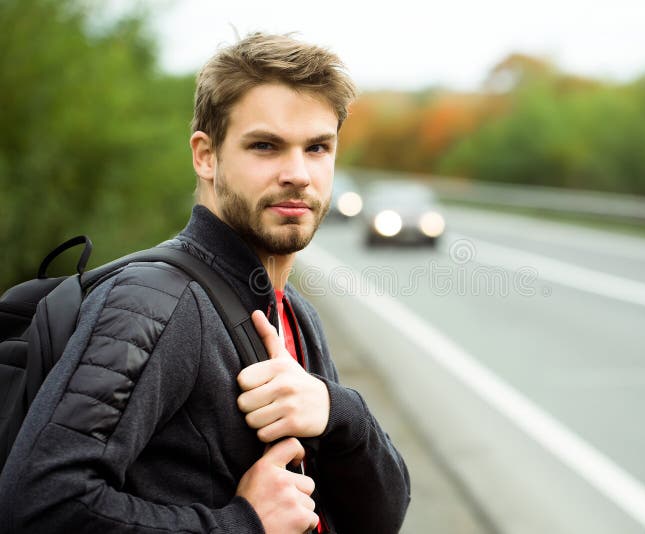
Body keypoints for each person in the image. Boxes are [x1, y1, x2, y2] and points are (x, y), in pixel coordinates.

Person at [0, 33, 410, 533]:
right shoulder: (155, 304)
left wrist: (337, 409)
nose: (298, 174)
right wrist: (243, 523)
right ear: (206, 155)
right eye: (265, 146)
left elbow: (381, 516)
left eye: (318, 147)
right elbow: (39, 506)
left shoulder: (296, 312)